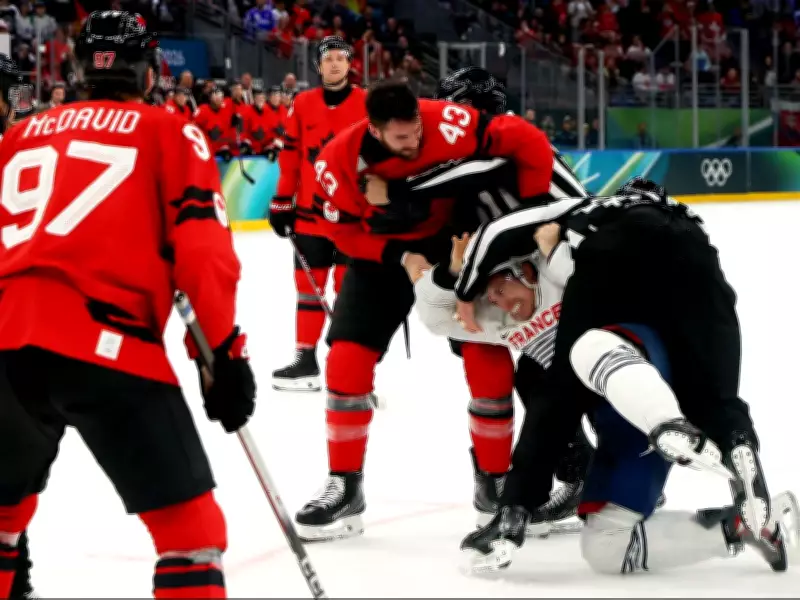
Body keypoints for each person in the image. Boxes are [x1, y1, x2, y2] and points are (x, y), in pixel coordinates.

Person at [0, 11, 256, 599]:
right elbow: (203, 256)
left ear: (77, 68)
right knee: (191, 531)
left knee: (4, 516)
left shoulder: (21, 133)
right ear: (150, 73)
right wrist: (224, 356)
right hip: (106, 344)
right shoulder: (169, 129)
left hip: (8, 345)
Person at [448, 178, 794, 574]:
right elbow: (716, 378)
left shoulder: (595, 212)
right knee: (716, 400)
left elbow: (498, 231)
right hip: (696, 274)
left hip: (626, 336)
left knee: (582, 358)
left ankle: (666, 423)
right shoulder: (687, 224)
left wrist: (465, 286)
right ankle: (741, 495)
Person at [294, 79, 586, 542]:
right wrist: (399, 257)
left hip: (455, 244)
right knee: (347, 358)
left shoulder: (447, 122)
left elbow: (527, 139)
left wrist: (529, 216)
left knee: (486, 353)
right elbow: (342, 234)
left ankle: (493, 486)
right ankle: (344, 486)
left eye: (417, 135)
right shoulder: (336, 162)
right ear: (373, 129)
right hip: (382, 256)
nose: (414, 145)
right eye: (401, 139)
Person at [268, 36, 367, 392]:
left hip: (352, 217)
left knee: (348, 290)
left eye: (341, 58)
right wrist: (282, 201)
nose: (335, 64)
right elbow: (290, 158)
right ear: (319, 66)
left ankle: (348, 363)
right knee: (308, 289)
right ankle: (306, 360)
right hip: (310, 216)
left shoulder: (366, 102)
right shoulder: (302, 104)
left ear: (350, 64)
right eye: (329, 59)